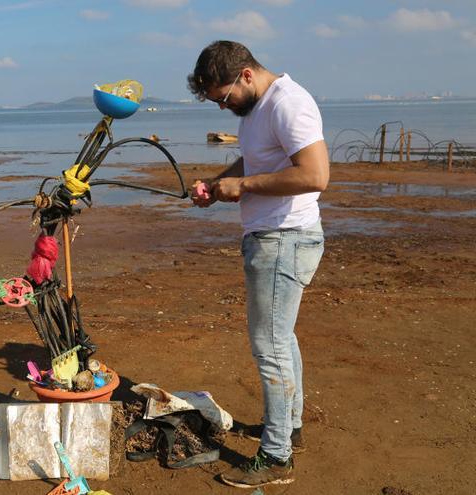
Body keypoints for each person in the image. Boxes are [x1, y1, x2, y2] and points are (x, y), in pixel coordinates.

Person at [186, 41, 329, 488]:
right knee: (280, 342)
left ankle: (276, 457)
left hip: (284, 239)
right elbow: (257, 158)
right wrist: (221, 183)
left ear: (246, 75)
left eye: (224, 98)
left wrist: (244, 185)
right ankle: (288, 430)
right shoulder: (258, 109)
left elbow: (315, 174)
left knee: (269, 347)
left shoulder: (289, 104)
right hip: (272, 237)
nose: (224, 107)